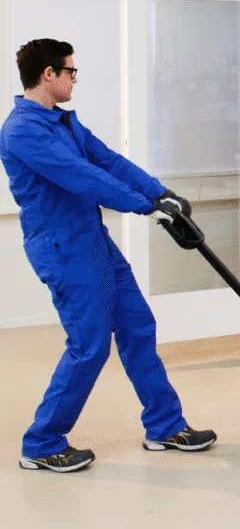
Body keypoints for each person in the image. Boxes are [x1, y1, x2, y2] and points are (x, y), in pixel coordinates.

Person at [0, 39, 217, 473]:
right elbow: (80, 176)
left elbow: (109, 161)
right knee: (90, 345)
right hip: (63, 248)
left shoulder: (64, 123)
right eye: (70, 71)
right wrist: (145, 206)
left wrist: (161, 192)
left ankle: (164, 425)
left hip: (93, 241)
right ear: (49, 75)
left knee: (137, 326)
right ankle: (42, 443)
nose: (75, 78)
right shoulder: (23, 130)